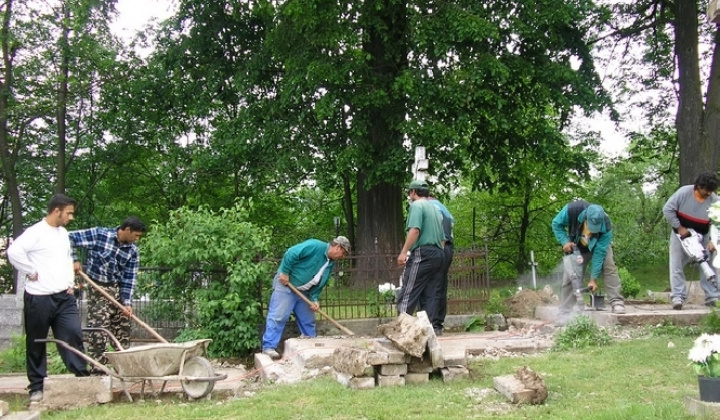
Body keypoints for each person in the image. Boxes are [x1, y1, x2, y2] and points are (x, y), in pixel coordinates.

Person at [6, 194, 89, 403]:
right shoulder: (35, 232)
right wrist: (30, 271)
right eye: (68, 213)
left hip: (64, 297)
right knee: (36, 341)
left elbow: (65, 259)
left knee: (72, 333)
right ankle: (36, 386)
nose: (71, 217)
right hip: (39, 297)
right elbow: (14, 252)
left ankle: (81, 375)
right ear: (56, 211)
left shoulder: (63, 234)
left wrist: (70, 283)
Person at [68, 216, 147, 369]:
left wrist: (126, 302)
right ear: (127, 230)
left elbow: (129, 279)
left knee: (122, 328)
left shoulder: (133, 251)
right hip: (97, 288)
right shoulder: (99, 235)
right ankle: (99, 368)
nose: (136, 240)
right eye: (136, 236)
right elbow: (69, 238)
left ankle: (124, 366)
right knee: (99, 328)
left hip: (115, 289)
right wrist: (74, 259)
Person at [261, 236, 351, 360]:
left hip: (304, 292)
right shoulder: (314, 246)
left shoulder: (330, 263)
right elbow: (291, 253)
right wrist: (285, 272)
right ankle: (269, 347)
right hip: (286, 285)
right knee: (278, 316)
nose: (343, 256)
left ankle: (311, 346)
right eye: (343, 252)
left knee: (308, 320)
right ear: (337, 247)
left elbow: (320, 283)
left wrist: (314, 299)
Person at [551, 200, 626, 322]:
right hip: (577, 245)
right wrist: (564, 241)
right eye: (590, 227)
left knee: (609, 267)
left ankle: (617, 302)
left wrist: (593, 279)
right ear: (585, 218)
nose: (591, 231)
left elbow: (599, 253)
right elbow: (556, 224)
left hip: (598, 246)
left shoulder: (606, 225)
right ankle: (565, 312)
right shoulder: (572, 210)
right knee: (570, 276)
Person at [663, 172, 720, 310]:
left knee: (709, 264)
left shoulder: (714, 200)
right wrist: (679, 227)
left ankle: (712, 296)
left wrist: (715, 240)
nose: (708, 194)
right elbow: (668, 209)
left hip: (703, 234)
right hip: (681, 234)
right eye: (706, 190)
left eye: (711, 191)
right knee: (676, 264)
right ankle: (678, 297)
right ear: (698, 186)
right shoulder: (684, 193)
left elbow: (718, 221)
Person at [396, 180, 445, 333]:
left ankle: (401, 330)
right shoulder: (435, 209)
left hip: (423, 253)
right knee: (429, 295)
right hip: (438, 253)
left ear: (413, 192)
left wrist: (404, 252)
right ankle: (427, 333)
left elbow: (415, 230)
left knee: (408, 292)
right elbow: (443, 239)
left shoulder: (417, 206)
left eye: (410, 192)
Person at [427, 196, 454, 335]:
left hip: (438, 247)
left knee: (432, 286)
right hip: (448, 249)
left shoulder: (431, 207)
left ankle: (432, 323)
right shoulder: (444, 208)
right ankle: (437, 323)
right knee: (440, 285)